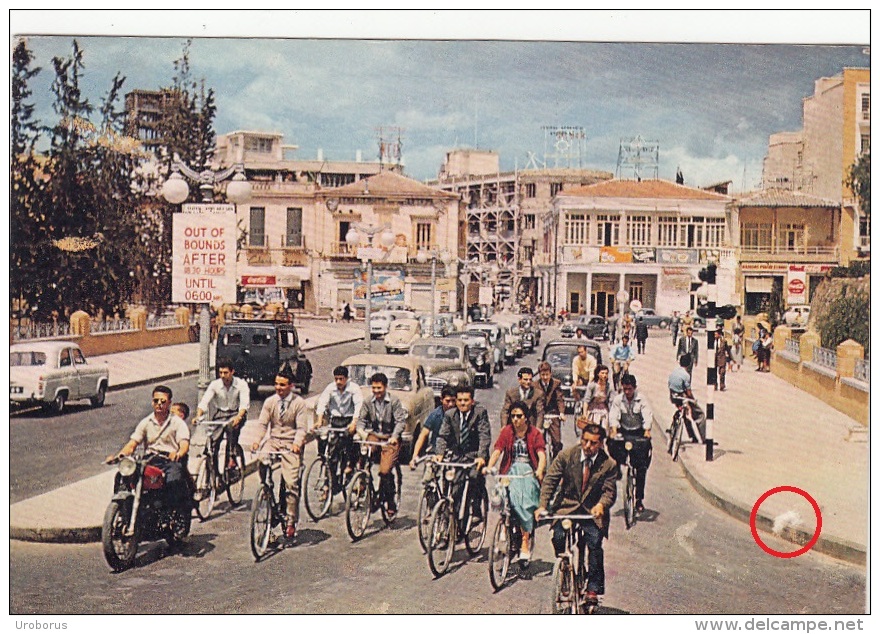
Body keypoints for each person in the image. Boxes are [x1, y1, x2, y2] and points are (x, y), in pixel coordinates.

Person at [535, 423, 618, 608]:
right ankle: (564, 569)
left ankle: (593, 589)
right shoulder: (567, 455)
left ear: (601, 444)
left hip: (591, 511)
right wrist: (542, 506)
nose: (588, 446)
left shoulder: (609, 464)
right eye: (585, 441)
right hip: (567, 507)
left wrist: (601, 505)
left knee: (595, 543)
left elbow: (609, 492)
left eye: (593, 443)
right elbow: (550, 480)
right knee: (558, 536)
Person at [106, 385, 191, 508]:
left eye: (163, 401)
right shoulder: (146, 422)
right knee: (123, 475)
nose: (159, 404)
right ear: (152, 402)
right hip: (150, 460)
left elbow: (184, 444)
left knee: (173, 481)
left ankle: (172, 511)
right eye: (156, 401)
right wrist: (119, 456)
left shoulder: (178, 423)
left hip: (169, 461)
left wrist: (178, 453)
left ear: (169, 403)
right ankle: (123, 507)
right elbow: (132, 444)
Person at [252, 369, 310, 539]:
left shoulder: (299, 403)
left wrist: (297, 444)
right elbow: (262, 424)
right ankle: (267, 490)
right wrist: (257, 440)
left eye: (282, 385)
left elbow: (301, 429)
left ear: (291, 386)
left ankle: (290, 520)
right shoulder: (270, 402)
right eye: (276, 384)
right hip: (274, 441)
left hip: (290, 444)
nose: (278, 388)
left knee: (291, 483)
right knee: (262, 461)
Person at [485, 401, 546, 562]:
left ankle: (525, 541)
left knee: (524, 503)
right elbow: (498, 450)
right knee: (501, 496)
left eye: (519, 416)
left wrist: (539, 470)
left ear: (526, 417)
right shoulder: (507, 431)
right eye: (513, 416)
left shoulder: (535, 433)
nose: (515, 419)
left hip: (527, 472)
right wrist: (489, 466)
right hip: (510, 471)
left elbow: (541, 454)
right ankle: (505, 524)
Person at [434, 384, 492, 522]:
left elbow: (484, 435)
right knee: (454, 487)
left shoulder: (480, 413)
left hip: (474, 455)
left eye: (466, 400)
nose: (462, 403)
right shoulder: (450, 415)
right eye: (459, 400)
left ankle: (477, 509)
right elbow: (443, 435)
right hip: (458, 456)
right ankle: (452, 523)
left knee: (474, 477)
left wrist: (481, 456)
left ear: (472, 401)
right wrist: (439, 452)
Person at [356, 372, 408, 520]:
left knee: (385, 471)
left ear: (385, 387)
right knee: (363, 455)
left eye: (379, 388)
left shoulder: (394, 401)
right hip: (374, 436)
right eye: (374, 388)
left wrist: (394, 437)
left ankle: (390, 501)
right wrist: (362, 434)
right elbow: (361, 420)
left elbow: (400, 422)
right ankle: (363, 483)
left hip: (389, 437)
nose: (376, 391)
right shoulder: (368, 402)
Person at [193, 358, 250, 471]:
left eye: (226, 373)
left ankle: (231, 457)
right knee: (213, 442)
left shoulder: (241, 384)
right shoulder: (215, 385)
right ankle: (214, 473)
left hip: (236, 413)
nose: (223, 376)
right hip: (220, 414)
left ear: (232, 372)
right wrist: (198, 415)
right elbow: (204, 402)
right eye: (220, 373)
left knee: (231, 429)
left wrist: (238, 417)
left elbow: (244, 405)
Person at [607, 373, 653, 514]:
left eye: (630, 389)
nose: (627, 392)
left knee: (641, 467)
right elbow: (614, 415)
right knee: (611, 443)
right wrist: (614, 430)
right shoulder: (618, 400)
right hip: (624, 431)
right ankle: (618, 466)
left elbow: (647, 415)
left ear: (634, 388)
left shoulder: (642, 400)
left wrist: (647, 431)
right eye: (625, 389)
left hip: (638, 432)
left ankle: (639, 499)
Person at [315, 365, 364, 474]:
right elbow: (322, 402)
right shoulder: (330, 388)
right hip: (335, 420)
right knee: (327, 443)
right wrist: (319, 420)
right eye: (336, 379)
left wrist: (354, 423)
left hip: (349, 420)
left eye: (341, 379)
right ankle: (329, 472)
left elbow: (358, 406)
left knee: (353, 441)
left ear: (346, 378)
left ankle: (351, 464)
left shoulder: (354, 388)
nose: (338, 382)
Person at [410, 385, 457, 480]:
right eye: (447, 401)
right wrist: (415, 456)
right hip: (435, 452)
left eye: (453, 401)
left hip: (453, 454)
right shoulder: (435, 415)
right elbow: (423, 435)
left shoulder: (459, 415)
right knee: (427, 480)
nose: (451, 404)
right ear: (441, 400)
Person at [667, 354, 706, 444]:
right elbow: (689, 392)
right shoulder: (686, 375)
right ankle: (704, 439)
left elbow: (669, 385)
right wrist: (693, 400)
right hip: (682, 397)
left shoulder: (674, 372)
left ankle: (693, 436)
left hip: (673, 396)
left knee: (684, 416)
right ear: (689, 364)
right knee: (700, 415)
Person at [536, 361, 566, 457]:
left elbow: (559, 399)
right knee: (537, 439)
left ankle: (555, 459)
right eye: (543, 375)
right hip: (539, 414)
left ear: (551, 374)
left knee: (557, 441)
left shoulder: (556, 384)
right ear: (539, 374)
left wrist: (561, 413)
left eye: (547, 375)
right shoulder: (534, 385)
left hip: (552, 414)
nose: (545, 377)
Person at [581, 364, 616, 434]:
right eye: (602, 373)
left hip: (604, 410)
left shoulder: (609, 387)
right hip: (593, 410)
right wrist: (584, 413)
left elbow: (611, 401)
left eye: (606, 373)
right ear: (597, 374)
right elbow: (586, 400)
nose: (604, 375)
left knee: (604, 431)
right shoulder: (592, 385)